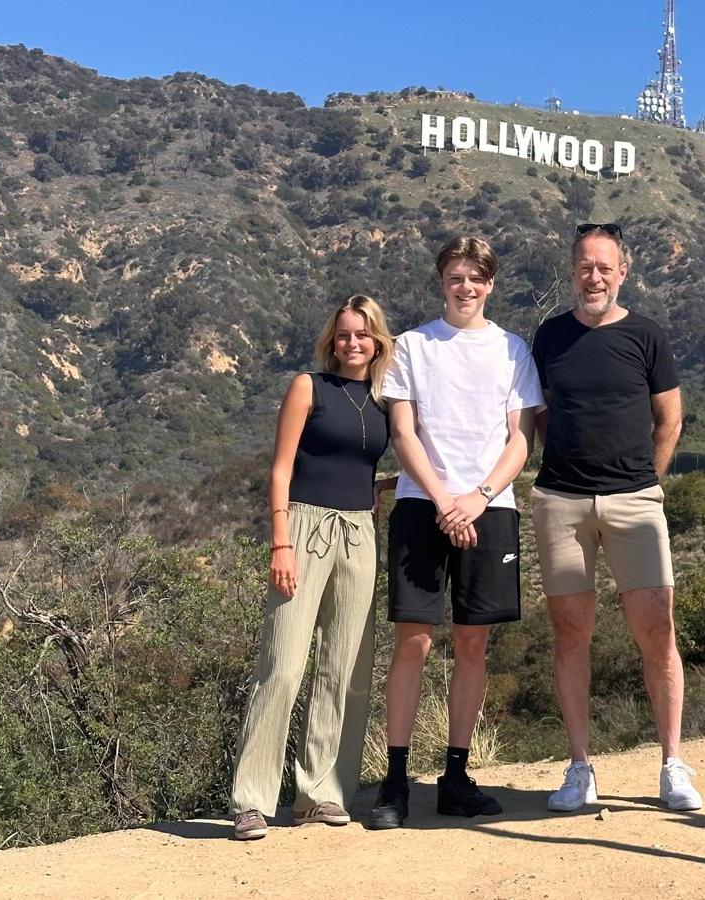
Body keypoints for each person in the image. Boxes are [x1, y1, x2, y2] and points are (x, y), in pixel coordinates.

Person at [368, 235, 542, 829]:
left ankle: (456, 776)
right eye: (455, 277)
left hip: (491, 508)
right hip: (424, 506)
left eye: (476, 278)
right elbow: (403, 432)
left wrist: (478, 498)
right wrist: (446, 500)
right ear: (441, 281)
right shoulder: (412, 346)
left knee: (473, 644)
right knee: (413, 641)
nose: (465, 287)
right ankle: (394, 782)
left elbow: (522, 439)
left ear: (490, 283)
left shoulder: (512, 349)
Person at [530, 222, 702, 813]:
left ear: (623, 272)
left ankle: (673, 764)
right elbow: (538, 416)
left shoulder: (647, 335)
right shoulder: (548, 336)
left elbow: (670, 419)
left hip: (636, 502)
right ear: (571, 271)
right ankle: (579, 768)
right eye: (584, 266)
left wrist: (646, 482)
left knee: (658, 632)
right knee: (571, 635)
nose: (594, 277)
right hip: (561, 502)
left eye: (605, 267)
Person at [229, 295, 395, 840]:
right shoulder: (309, 387)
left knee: (346, 668)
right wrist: (281, 542)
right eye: (344, 334)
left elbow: (360, 468)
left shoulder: (382, 400)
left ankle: (320, 793)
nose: (352, 343)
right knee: (283, 664)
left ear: (377, 341)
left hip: (359, 532)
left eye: (363, 334)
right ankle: (251, 800)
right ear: (332, 340)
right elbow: (281, 469)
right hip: (302, 528)